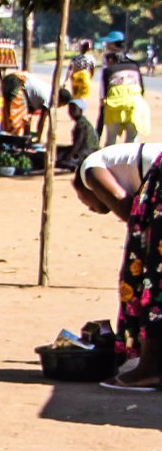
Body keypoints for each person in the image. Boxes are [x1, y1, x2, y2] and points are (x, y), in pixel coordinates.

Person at [75, 141, 162, 388]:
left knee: (154, 280)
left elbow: (124, 205)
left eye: (85, 202)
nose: (92, 209)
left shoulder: (90, 169)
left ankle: (150, 370)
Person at [100, 49, 149, 145]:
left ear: (111, 60)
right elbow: (142, 89)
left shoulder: (108, 70)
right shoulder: (135, 67)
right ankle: (130, 160)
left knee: (111, 138)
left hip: (114, 107)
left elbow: (105, 92)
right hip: (134, 106)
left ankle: (109, 159)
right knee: (132, 140)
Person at [58, 91, 101, 170]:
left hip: (87, 152)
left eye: (73, 109)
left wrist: (68, 157)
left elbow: (78, 143)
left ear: (80, 111)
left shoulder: (81, 124)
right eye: (69, 109)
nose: (70, 112)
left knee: (61, 159)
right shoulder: (82, 122)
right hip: (87, 150)